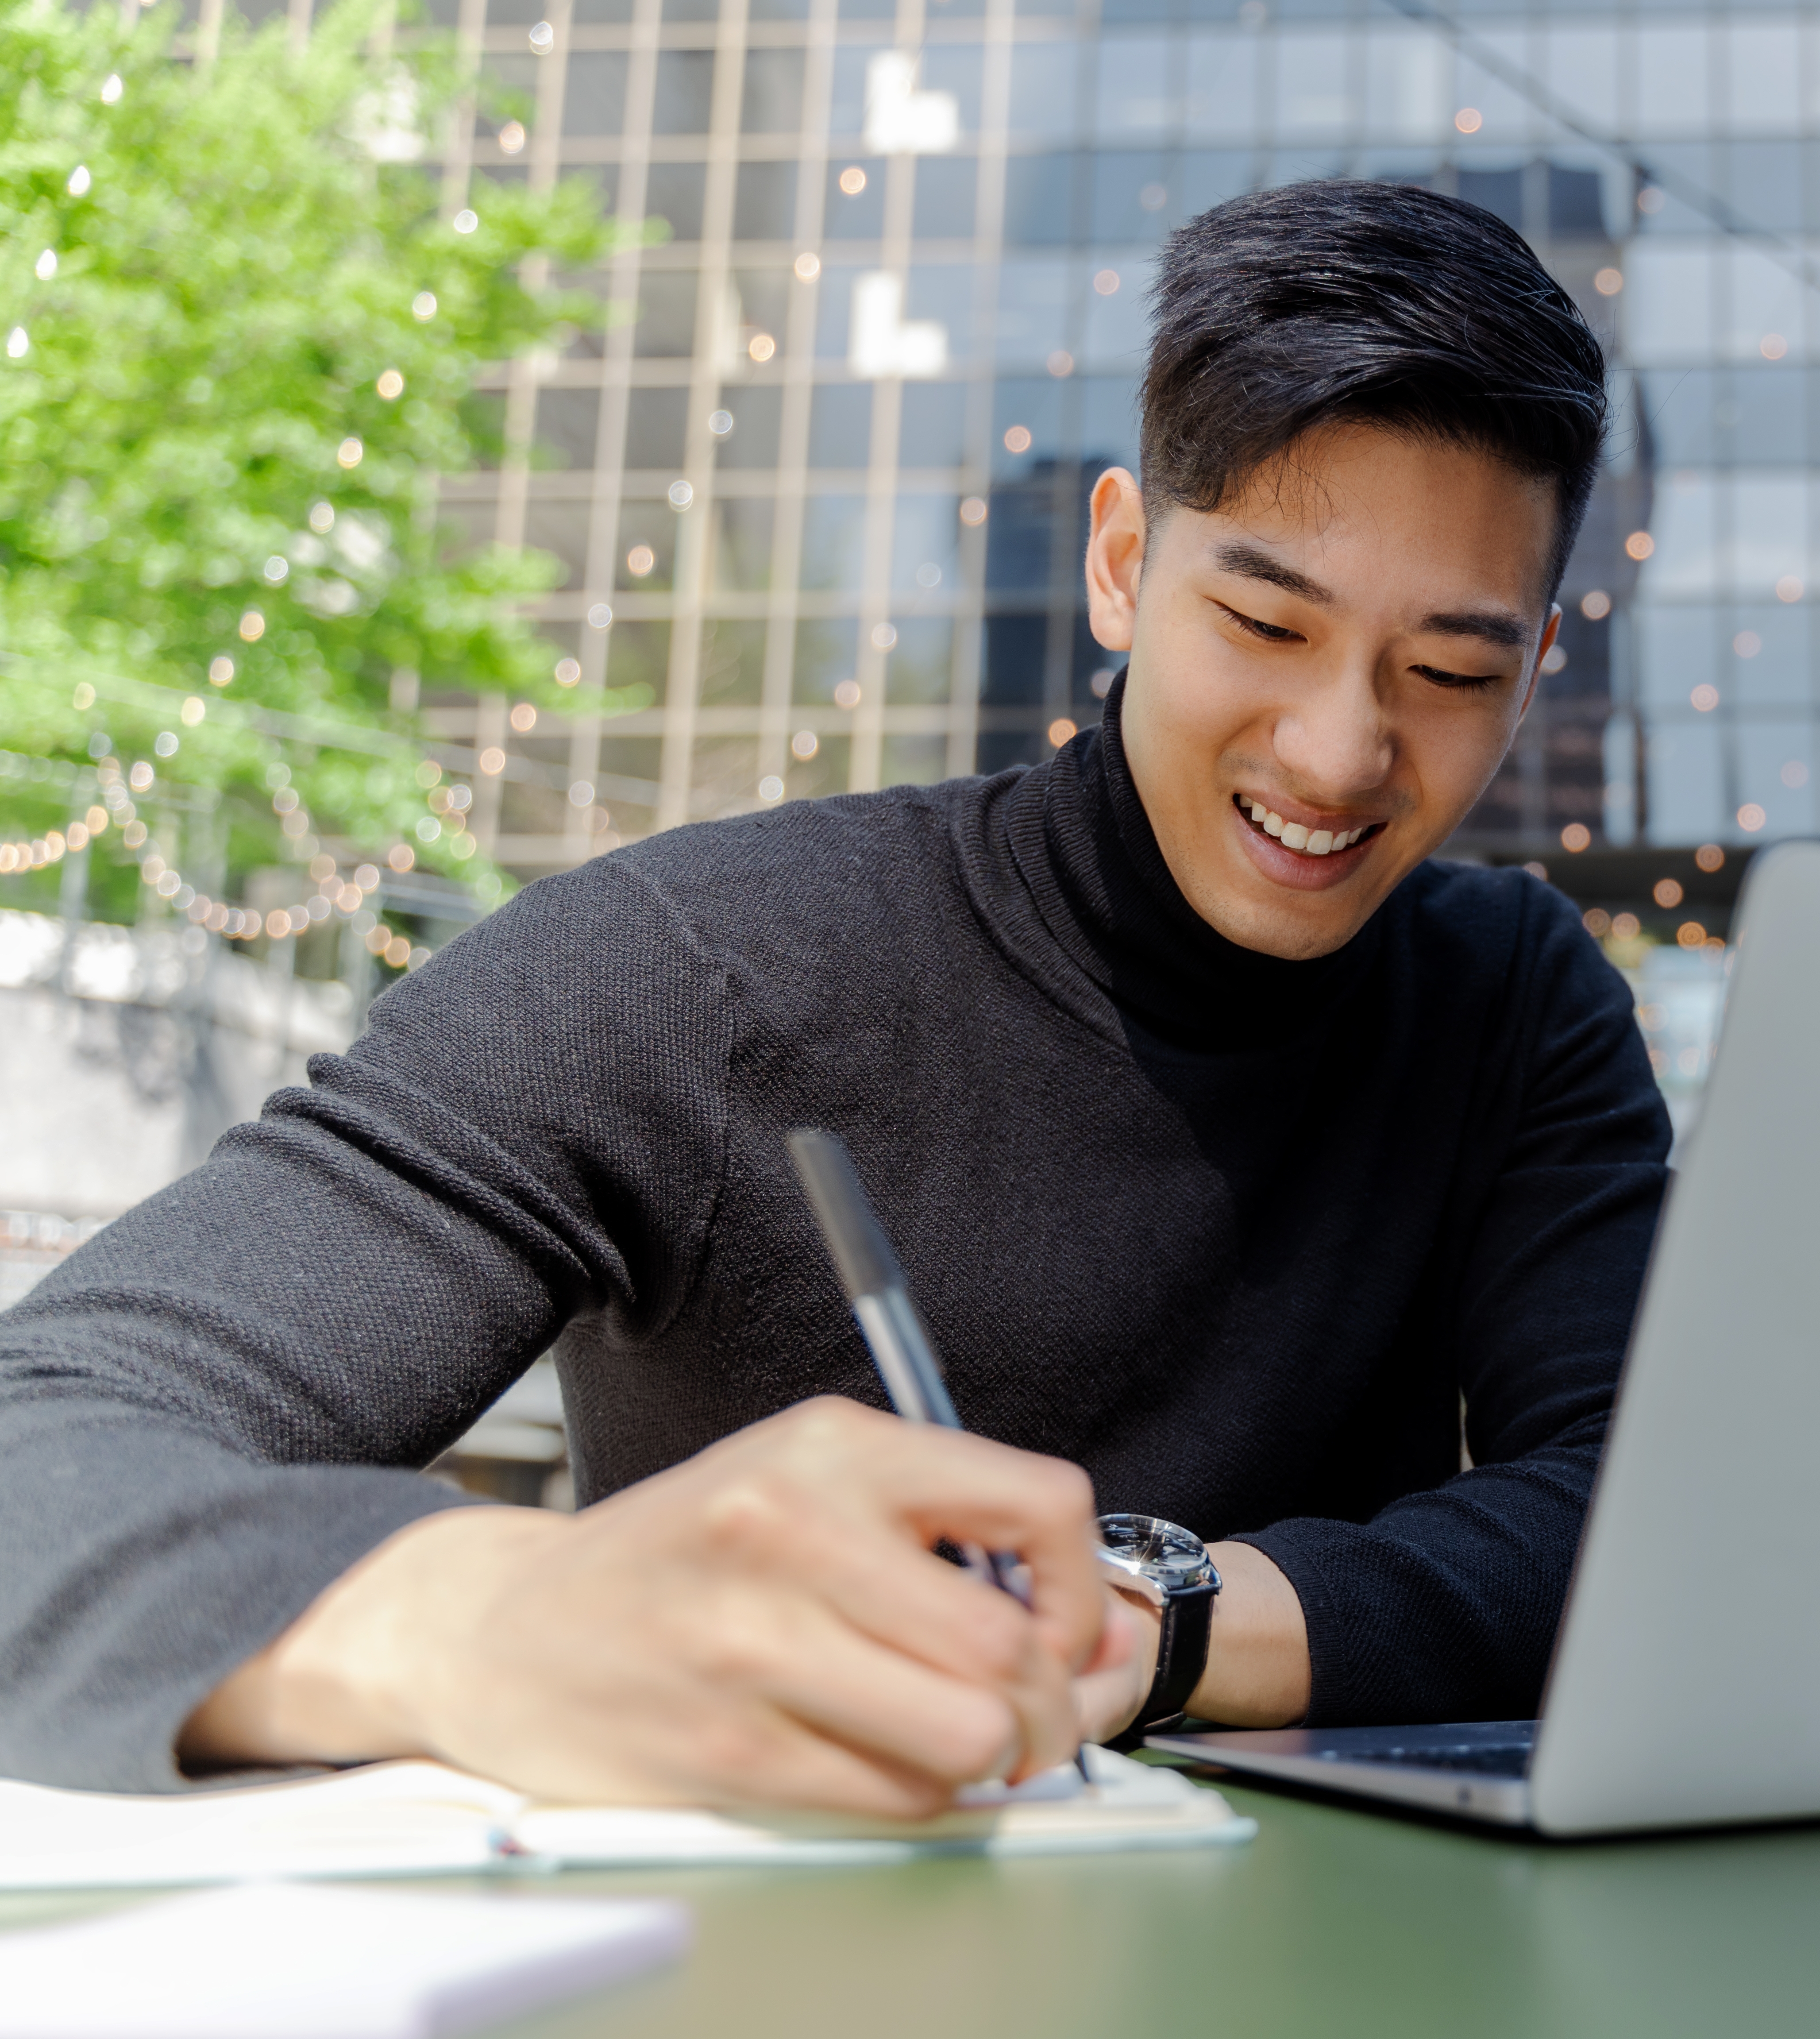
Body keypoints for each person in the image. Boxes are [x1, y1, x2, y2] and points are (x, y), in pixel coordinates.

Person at [0, 179, 1666, 1809]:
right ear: (1119, 564)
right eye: (1261, 621)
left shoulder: (1513, 999)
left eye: (1450, 673)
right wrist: (499, 1621)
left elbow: (1643, 1513)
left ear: (1528, 670)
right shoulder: (685, 967)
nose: (1341, 751)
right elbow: (43, 1450)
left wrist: (1153, 1621)